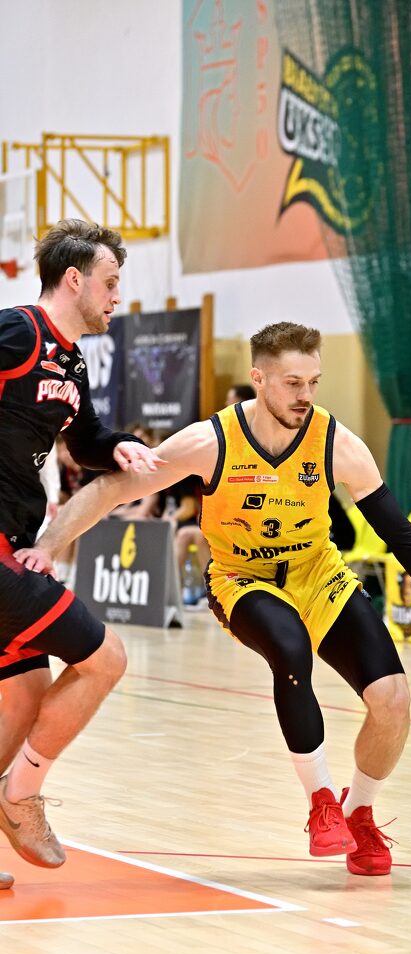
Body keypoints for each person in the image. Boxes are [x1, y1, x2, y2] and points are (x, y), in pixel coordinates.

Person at [17, 321, 411, 877]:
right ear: (259, 379)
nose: (306, 395)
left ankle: (358, 812)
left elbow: (401, 535)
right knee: (290, 645)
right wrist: (49, 546)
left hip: (316, 573)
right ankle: (321, 801)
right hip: (242, 578)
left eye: (314, 382)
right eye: (293, 383)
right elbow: (112, 488)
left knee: (394, 701)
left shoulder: (336, 443)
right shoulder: (211, 442)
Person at [0, 218, 162, 890]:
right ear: (74, 279)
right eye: (110, 282)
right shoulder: (16, 331)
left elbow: (86, 438)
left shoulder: (70, 361)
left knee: (24, 696)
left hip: (15, 544)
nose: (117, 296)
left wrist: (118, 446)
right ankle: (19, 797)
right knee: (106, 657)